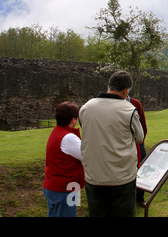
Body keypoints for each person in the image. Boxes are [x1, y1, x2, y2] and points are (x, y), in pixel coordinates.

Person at [79, 71, 144, 217]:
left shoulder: (86, 108)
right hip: (121, 178)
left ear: (108, 85)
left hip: (94, 177)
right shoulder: (128, 110)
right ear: (126, 91)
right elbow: (140, 137)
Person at [43, 101, 85, 217]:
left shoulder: (57, 132)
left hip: (53, 185)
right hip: (66, 188)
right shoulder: (68, 137)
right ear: (73, 119)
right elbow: (87, 156)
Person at [127, 95, 148, 208]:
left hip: (137, 143)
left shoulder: (135, 103)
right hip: (125, 144)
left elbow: (143, 125)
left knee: (141, 168)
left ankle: (140, 197)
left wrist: (140, 141)